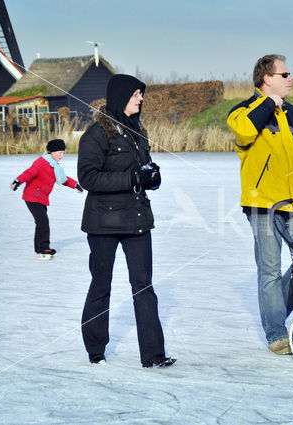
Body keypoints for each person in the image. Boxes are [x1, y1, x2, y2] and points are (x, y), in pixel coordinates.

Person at [227, 54, 293, 354]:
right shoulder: (243, 112)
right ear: (266, 79)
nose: (291, 78)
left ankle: (281, 313)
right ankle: (276, 333)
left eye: (290, 74)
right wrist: (269, 104)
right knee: (270, 271)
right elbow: (245, 132)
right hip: (263, 206)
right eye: (284, 74)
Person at [77, 74, 175, 368]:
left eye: (141, 95)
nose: (141, 99)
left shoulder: (138, 132)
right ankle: (96, 349)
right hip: (103, 223)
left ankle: (153, 354)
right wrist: (134, 177)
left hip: (137, 221)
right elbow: (88, 178)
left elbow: (141, 171)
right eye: (136, 94)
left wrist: (151, 178)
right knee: (101, 285)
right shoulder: (96, 134)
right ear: (121, 97)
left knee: (144, 286)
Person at [11, 139, 82, 260]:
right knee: (43, 222)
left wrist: (75, 184)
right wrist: (18, 181)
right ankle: (44, 248)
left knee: (41, 223)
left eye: (63, 153)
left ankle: (40, 248)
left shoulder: (54, 165)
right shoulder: (41, 163)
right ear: (51, 152)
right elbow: (29, 173)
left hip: (40, 198)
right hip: (32, 197)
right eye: (59, 152)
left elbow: (63, 179)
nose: (61, 155)